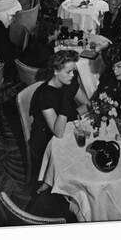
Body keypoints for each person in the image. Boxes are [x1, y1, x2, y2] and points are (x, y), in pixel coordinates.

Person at [29, 50, 88, 180]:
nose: (73, 75)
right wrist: (66, 99)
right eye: (68, 72)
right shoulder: (44, 95)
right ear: (55, 71)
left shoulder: (70, 80)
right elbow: (58, 132)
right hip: (45, 139)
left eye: (73, 70)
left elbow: (87, 104)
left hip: (66, 126)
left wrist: (73, 113)